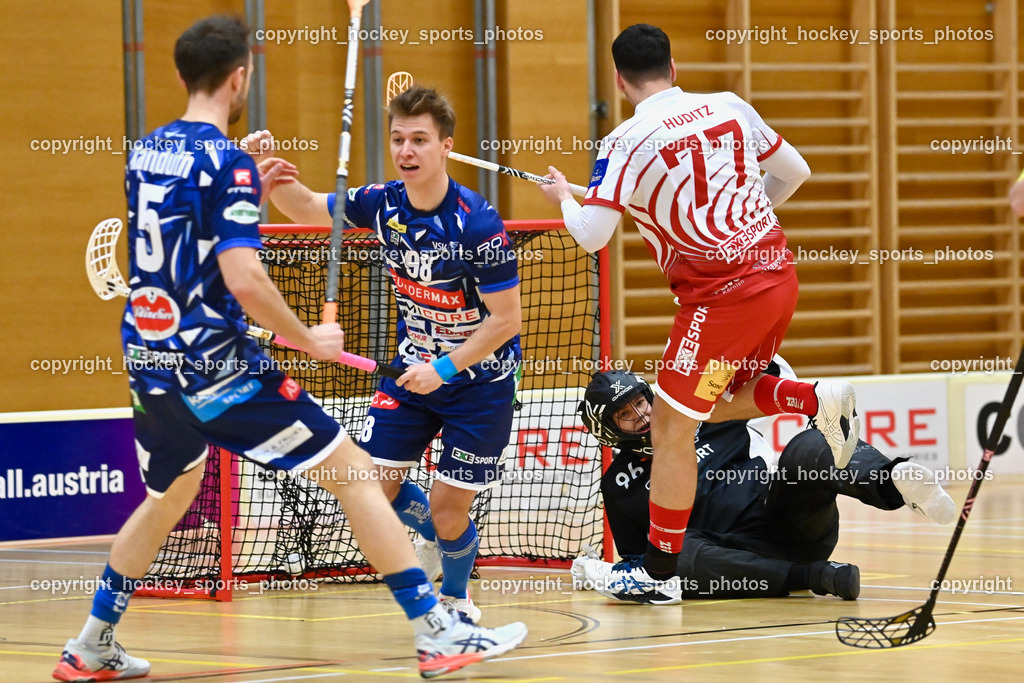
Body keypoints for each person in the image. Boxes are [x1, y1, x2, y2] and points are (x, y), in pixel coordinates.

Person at [52, 16, 525, 682]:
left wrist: (244, 172)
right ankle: (437, 634)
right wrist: (310, 340)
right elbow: (244, 276)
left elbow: (187, 236)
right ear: (240, 76)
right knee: (358, 475)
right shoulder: (228, 165)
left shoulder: (147, 150)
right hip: (218, 367)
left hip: (148, 358)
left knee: (168, 494)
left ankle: (91, 641)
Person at [538, 23, 860, 605]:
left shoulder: (623, 142)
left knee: (668, 425)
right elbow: (796, 172)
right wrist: (752, 207)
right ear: (673, 66)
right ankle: (809, 400)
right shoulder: (729, 106)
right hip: (778, 280)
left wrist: (564, 197)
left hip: (722, 302)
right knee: (712, 402)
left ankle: (658, 572)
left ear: (618, 79)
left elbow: (591, 236)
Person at [242, 84, 522, 623]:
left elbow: (506, 320)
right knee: (370, 487)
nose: (406, 151)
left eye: (420, 139)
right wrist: (268, 169)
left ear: (446, 146)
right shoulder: (383, 202)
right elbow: (305, 210)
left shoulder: (478, 223)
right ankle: (446, 542)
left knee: (447, 511)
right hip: (408, 377)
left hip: (476, 385)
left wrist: (443, 368)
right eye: (398, 139)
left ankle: (457, 599)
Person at [572, 367, 956, 601]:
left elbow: (762, 377)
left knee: (808, 446)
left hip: (789, 521)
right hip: (728, 558)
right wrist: (599, 574)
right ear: (608, 431)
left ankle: (892, 480)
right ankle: (815, 577)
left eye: (642, 401)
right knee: (677, 557)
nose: (642, 414)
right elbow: (647, 567)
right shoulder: (619, 485)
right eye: (626, 414)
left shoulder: (706, 415)